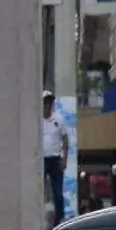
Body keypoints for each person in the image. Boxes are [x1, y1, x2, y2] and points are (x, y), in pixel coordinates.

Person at [40, 91, 69, 221]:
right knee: (39, 192)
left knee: (57, 191)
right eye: (45, 102)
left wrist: (64, 158)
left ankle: (59, 219)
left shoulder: (59, 119)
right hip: (41, 160)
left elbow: (65, 139)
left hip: (55, 159)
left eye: (50, 102)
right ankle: (41, 219)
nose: (47, 105)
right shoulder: (37, 120)